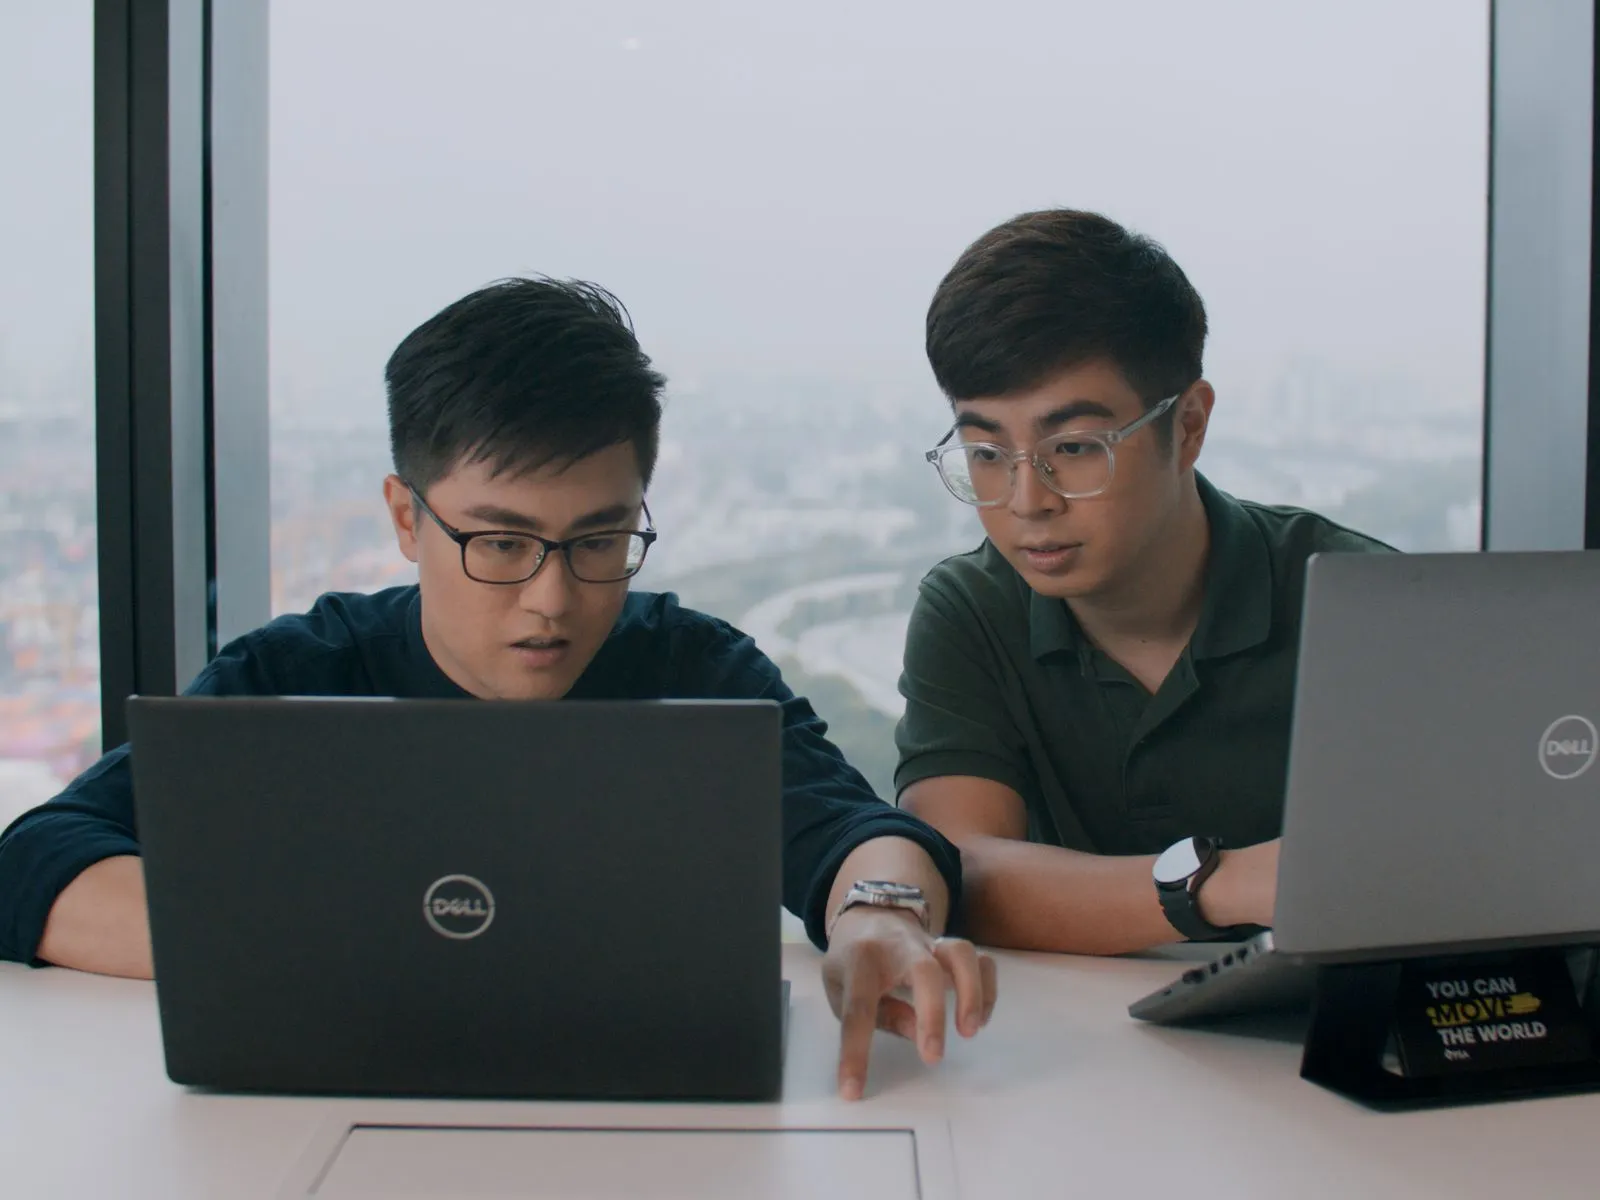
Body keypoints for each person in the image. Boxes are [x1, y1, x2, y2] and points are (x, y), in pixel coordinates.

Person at [0, 276, 996, 1099]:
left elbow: (860, 834)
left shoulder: (693, 670)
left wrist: (878, 913)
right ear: (405, 517)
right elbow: (35, 861)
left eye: (600, 541)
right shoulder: (298, 675)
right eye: (501, 542)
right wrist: (325, 952)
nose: (550, 601)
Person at [897, 209, 1394, 956]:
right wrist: (1223, 885)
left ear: (1188, 424)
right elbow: (958, 869)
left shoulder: (1361, 601)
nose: (1029, 501)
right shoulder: (972, 610)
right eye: (988, 454)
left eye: (1074, 446)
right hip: (1076, 1054)